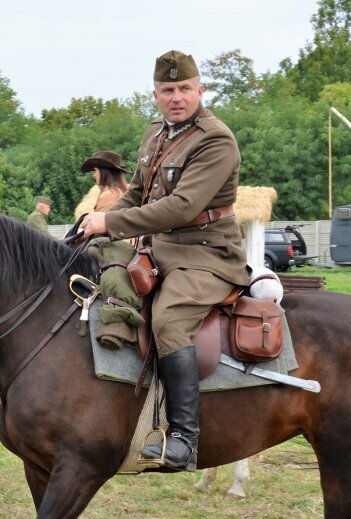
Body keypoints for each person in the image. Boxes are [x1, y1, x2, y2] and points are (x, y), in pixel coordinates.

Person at [79, 50, 248, 472]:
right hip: (159, 250)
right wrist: (95, 224)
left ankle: (185, 439)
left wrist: (110, 222)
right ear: (155, 95)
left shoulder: (216, 140)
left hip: (208, 255)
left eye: (185, 89)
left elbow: (180, 206)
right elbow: (139, 192)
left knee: (169, 319)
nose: (177, 97)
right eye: (168, 90)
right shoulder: (157, 132)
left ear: (200, 90)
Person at [77, 150, 132, 215]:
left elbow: (100, 223)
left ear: (103, 172)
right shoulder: (124, 192)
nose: (94, 175)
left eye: (95, 171)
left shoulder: (108, 196)